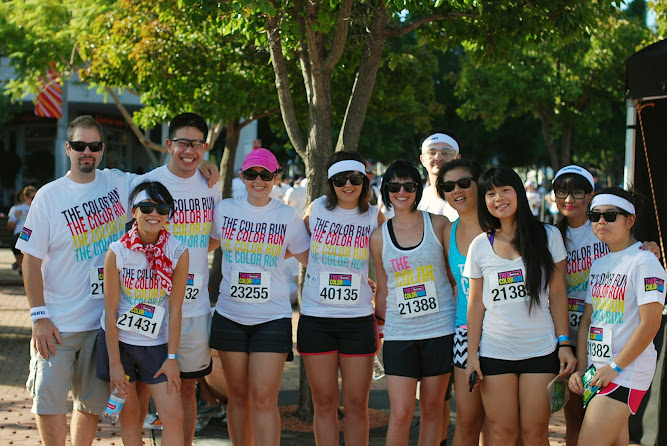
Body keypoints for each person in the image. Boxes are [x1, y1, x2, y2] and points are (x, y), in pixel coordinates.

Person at [17, 115, 132, 446]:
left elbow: (166, 178)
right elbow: (31, 260)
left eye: (94, 146)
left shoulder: (118, 184)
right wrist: (39, 317)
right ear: (67, 148)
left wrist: (203, 169)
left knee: (90, 404)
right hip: (57, 324)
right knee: (48, 400)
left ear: (102, 150)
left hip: (101, 325)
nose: (87, 152)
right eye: (80, 146)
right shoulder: (49, 197)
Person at [464, 166, 577, 445]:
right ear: (484, 201)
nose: (498, 198)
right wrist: (472, 355)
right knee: (503, 433)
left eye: (505, 190)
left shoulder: (548, 236)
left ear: (519, 193)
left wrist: (564, 343)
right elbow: (476, 303)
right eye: (490, 193)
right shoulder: (479, 245)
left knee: (535, 433)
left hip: (540, 350)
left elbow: (558, 292)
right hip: (494, 352)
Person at [551, 165, 660, 446]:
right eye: (596, 216)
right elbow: (588, 320)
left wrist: (614, 367)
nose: (601, 222)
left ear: (630, 220)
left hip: (625, 372)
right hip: (598, 371)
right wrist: (582, 370)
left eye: (611, 216)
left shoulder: (646, 262)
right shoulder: (600, 263)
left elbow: (651, 324)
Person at [131, 113, 222, 445]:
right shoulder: (146, 184)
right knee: (142, 385)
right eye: (182, 142)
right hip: (150, 307)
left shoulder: (211, 186)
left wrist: (190, 257)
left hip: (194, 309)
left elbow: (213, 238)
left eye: (197, 144)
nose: (189, 150)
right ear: (168, 144)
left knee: (187, 386)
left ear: (205, 147)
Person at [209, 148, 310, 445]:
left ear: (275, 178)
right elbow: (206, 243)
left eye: (266, 175)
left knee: (264, 398)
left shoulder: (287, 216)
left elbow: (309, 256)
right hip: (230, 316)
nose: (258, 180)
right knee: (237, 397)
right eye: (252, 174)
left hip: (272, 318)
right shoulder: (225, 210)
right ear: (243, 176)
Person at [297, 151, 385, 446]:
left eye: (355, 178)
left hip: (357, 320)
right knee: (324, 403)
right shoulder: (317, 208)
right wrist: (324, 273)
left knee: (357, 405)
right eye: (340, 180)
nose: (348, 185)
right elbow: (298, 246)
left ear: (364, 180)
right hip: (316, 319)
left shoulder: (374, 216)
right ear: (330, 183)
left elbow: (389, 261)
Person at [97, 181, 189, 446]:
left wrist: (172, 357)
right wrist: (114, 364)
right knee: (130, 418)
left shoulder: (178, 251)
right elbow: (111, 310)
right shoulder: (118, 251)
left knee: (174, 416)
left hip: (157, 346)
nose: (154, 213)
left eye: (162, 208)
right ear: (133, 211)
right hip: (120, 345)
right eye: (146, 207)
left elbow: (175, 309)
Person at [371, 160, 456, 446]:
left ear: (418, 188)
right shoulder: (378, 237)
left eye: (409, 185)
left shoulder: (439, 224)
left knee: (432, 410)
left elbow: (453, 276)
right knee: (401, 413)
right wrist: (379, 328)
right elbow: (383, 288)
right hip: (399, 334)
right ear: (386, 190)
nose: (402, 191)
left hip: (439, 330)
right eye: (394, 186)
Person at [435, 159, 490, 446]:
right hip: (464, 332)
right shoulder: (448, 231)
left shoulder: (500, 223)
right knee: (467, 422)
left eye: (464, 183)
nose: (457, 190)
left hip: (504, 331)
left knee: (497, 423)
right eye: (448, 186)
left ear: (478, 184)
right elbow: (453, 280)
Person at [417, 132, 460, 222]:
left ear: (457, 158)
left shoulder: (467, 196)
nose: (438, 157)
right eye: (432, 153)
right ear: (423, 159)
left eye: (445, 152)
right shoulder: (417, 199)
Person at [7, 185, 36, 275]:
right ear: (26, 197)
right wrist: (15, 216)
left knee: (24, 240)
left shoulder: (38, 208)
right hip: (22, 233)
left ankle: (22, 266)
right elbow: (10, 226)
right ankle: (21, 266)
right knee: (21, 239)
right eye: (33, 197)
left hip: (33, 234)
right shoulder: (17, 209)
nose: (35, 200)